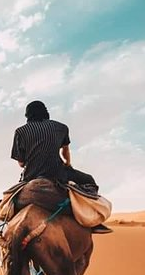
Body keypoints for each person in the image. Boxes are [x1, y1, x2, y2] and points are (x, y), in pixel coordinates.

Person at [11, 100, 112, 234]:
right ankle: (94, 222)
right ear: (46, 112)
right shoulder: (61, 127)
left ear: (27, 115)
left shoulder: (20, 132)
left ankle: (6, 225)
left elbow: (21, 163)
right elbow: (65, 152)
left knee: (9, 200)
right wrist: (68, 164)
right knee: (89, 180)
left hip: (31, 176)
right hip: (58, 174)